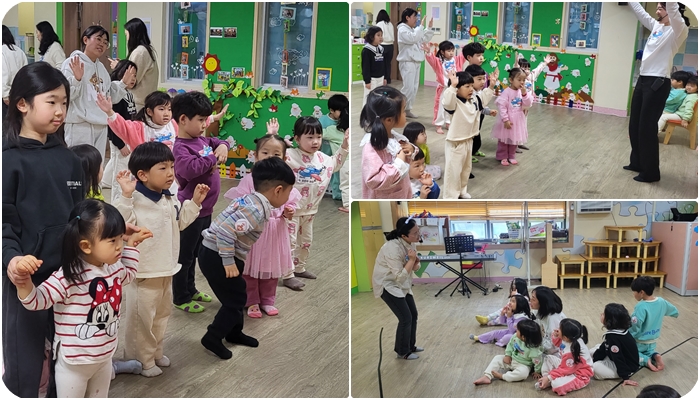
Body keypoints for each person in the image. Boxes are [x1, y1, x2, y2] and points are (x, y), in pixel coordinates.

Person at [2, 62, 85, 398]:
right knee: (27, 357)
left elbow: (80, 214)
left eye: (64, 102)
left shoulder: (69, 160)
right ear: (22, 103)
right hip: (27, 277)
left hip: (70, 274)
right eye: (51, 101)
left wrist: (112, 230)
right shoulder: (8, 161)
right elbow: (3, 222)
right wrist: (12, 260)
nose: (60, 111)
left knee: (68, 353)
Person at [11, 200, 151, 397]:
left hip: (104, 357)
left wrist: (132, 244)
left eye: (121, 238)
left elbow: (128, 274)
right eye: (113, 241)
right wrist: (24, 282)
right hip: (74, 363)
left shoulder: (113, 267)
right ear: (86, 246)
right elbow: (37, 301)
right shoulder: (68, 276)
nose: (119, 246)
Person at [113, 142, 209, 377]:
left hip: (166, 268)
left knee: (161, 315)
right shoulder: (134, 199)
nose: (170, 173)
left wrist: (195, 203)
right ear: (143, 175)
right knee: (141, 321)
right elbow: (120, 224)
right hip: (144, 271)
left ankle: (154, 353)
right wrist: (125, 195)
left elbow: (180, 223)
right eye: (163, 168)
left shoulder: (169, 198)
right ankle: (140, 360)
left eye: (172, 167)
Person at [198, 157, 296, 359]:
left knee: (239, 294)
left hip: (214, 251)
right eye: (288, 192)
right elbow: (225, 231)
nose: (288, 197)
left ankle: (234, 333)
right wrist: (228, 261)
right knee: (233, 301)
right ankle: (212, 337)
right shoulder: (255, 210)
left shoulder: (252, 199)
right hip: (218, 255)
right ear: (278, 190)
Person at [224, 131, 301, 317]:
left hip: (275, 232)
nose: (270, 157)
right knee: (250, 268)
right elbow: (240, 202)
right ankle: (251, 301)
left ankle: (268, 300)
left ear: (284, 158)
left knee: (271, 268)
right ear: (256, 155)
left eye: (276, 154)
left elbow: (290, 201)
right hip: (254, 233)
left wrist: (288, 210)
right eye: (265, 153)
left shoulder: (285, 179)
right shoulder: (249, 180)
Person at [170, 92, 230, 313]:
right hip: (190, 211)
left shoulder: (202, 139)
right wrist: (213, 158)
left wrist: (223, 145)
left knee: (195, 254)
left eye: (206, 119)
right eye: (201, 120)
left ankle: (191, 288)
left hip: (206, 210)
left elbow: (219, 142)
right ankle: (181, 297)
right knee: (184, 257)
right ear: (183, 119)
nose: (206, 124)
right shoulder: (180, 148)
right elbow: (189, 169)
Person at [626, 2, 690, 183]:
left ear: (670, 10)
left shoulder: (679, 29)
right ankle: (637, 163)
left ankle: (651, 172)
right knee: (635, 124)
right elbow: (640, 11)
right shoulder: (657, 26)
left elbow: (673, 10)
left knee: (647, 127)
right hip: (643, 79)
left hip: (658, 81)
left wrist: (669, 4)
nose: (657, 10)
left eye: (660, 8)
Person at [284, 117, 349, 289]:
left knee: (306, 241)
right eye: (310, 137)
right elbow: (271, 158)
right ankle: (287, 274)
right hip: (291, 211)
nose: (315, 141)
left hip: (310, 211)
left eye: (318, 137)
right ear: (297, 139)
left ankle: (299, 268)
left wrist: (344, 145)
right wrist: (272, 136)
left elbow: (336, 163)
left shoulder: (322, 159)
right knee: (289, 242)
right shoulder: (289, 155)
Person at [60, 25, 136, 162]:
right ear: (85, 40)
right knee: (79, 165)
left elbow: (109, 96)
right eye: (98, 39)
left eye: (105, 42)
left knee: (97, 166)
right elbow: (65, 95)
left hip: (100, 125)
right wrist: (77, 80)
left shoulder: (101, 68)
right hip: (80, 125)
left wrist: (123, 83)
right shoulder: (72, 63)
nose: (102, 44)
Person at [372, 217, 424, 360]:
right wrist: (412, 260)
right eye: (415, 233)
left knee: (413, 314)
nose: (418, 234)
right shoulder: (392, 248)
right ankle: (402, 352)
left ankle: (410, 346)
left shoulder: (411, 244)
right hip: (387, 285)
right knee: (405, 317)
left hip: (402, 284)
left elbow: (415, 268)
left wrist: (415, 262)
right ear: (404, 235)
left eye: (418, 231)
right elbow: (399, 276)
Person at [359, 86, 413, 199]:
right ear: (389, 120)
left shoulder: (396, 138)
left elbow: (408, 155)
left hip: (402, 194)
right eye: (403, 111)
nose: (405, 114)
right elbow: (373, 180)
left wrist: (411, 149)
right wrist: (399, 163)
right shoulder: (371, 147)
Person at [101, 59, 138, 200]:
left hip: (129, 137)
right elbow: (112, 122)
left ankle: (107, 183)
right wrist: (120, 144)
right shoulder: (116, 96)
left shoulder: (129, 93)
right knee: (121, 173)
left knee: (123, 167)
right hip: (120, 140)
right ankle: (117, 202)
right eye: (129, 75)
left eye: (135, 75)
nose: (133, 79)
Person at [441, 70, 479, 199]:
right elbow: (447, 102)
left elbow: (482, 100)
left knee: (465, 169)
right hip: (456, 142)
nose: (471, 89)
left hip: (468, 140)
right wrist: (452, 86)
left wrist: (491, 88)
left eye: (472, 86)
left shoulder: (471, 101)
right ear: (457, 90)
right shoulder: (454, 103)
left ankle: (462, 190)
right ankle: (450, 196)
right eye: (467, 86)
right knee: (454, 171)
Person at [629, 275, 679, 371]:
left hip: (639, 341)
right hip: (653, 341)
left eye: (634, 291)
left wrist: (628, 335)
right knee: (647, 351)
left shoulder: (641, 306)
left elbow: (635, 325)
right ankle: (654, 355)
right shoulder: (661, 301)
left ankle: (645, 360)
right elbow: (674, 311)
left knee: (628, 353)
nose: (633, 294)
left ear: (641, 292)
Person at [109, 18, 159, 111]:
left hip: (138, 104)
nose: (127, 39)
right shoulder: (145, 50)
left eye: (127, 35)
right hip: (142, 103)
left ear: (133, 34)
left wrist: (118, 67)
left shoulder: (140, 52)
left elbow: (131, 80)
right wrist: (122, 64)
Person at [473, 319, 543, 385]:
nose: (516, 330)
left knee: (523, 374)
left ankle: (502, 376)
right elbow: (510, 345)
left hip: (523, 365)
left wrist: (537, 371)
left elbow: (538, 361)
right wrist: (508, 355)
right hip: (511, 359)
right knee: (497, 358)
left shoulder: (534, 350)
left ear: (523, 337)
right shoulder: (515, 337)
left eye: (518, 330)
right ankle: (487, 376)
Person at [536, 318, 594, 395]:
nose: (557, 329)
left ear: (565, 337)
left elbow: (565, 370)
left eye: (560, 328)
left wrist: (550, 377)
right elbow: (560, 345)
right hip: (568, 366)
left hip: (579, 375)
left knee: (556, 385)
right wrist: (556, 337)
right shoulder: (571, 338)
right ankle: (546, 379)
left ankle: (548, 380)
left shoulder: (571, 351)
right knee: (547, 358)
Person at [396, 8, 434, 118]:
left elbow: (423, 39)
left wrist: (429, 28)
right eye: (414, 17)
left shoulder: (413, 30)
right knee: (408, 88)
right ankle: (398, 109)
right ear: (407, 17)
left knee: (414, 88)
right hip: (407, 62)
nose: (416, 19)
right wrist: (421, 26)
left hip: (416, 62)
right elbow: (413, 38)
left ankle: (407, 109)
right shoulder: (402, 30)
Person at [491, 68, 533, 166]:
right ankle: (502, 156)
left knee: (514, 138)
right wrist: (505, 119)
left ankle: (512, 156)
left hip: (518, 119)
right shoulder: (506, 92)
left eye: (524, 80)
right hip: (507, 119)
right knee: (504, 139)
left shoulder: (522, 92)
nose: (522, 82)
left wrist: (524, 93)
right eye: (519, 80)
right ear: (511, 80)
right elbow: (502, 107)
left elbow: (527, 104)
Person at [591, 303, 640, 386]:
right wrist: (594, 358)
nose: (601, 314)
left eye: (604, 314)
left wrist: (625, 377)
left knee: (595, 369)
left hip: (627, 367)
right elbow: (605, 345)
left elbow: (618, 358)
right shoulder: (618, 331)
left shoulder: (614, 337)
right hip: (617, 357)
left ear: (610, 320)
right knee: (595, 349)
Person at [424, 40, 467, 134]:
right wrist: (428, 52)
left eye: (452, 50)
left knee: (451, 105)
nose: (451, 53)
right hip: (443, 88)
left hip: (454, 87)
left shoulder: (456, 59)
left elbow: (463, 56)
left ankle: (448, 122)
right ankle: (438, 124)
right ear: (442, 52)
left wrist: (466, 48)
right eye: (448, 51)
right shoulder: (438, 61)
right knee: (440, 106)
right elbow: (431, 60)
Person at [464, 64, 497, 178]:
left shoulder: (477, 93)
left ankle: (466, 169)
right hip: (465, 129)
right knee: (465, 150)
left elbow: (480, 105)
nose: (483, 81)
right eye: (479, 79)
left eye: (484, 78)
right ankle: (464, 171)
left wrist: (488, 111)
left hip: (474, 127)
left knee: (474, 145)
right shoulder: (466, 94)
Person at [321, 95, 350, 212]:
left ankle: (347, 205)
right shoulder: (348, 129)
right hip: (349, 161)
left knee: (345, 185)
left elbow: (319, 133)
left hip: (343, 161)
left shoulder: (333, 130)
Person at [530, 286, 567, 355]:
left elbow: (553, 346)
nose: (530, 301)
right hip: (545, 345)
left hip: (558, 352)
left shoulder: (552, 318)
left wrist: (535, 344)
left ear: (542, 303)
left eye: (533, 299)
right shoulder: (538, 311)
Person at [2, 25, 28, 120]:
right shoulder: (19, 50)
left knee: (6, 122)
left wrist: (5, 95)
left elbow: (4, 74)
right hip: (20, 92)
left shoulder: (2, 51)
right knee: (17, 121)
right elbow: (25, 71)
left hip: (6, 95)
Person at [361, 26, 386, 106]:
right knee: (368, 97)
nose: (380, 37)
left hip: (380, 77)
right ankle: (366, 113)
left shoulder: (381, 49)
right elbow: (365, 67)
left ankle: (376, 112)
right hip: (372, 79)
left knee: (379, 97)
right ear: (372, 37)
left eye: (381, 35)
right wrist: (367, 81)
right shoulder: (367, 50)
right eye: (378, 35)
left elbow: (384, 64)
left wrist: (385, 77)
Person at [375, 9, 394, 84]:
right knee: (388, 64)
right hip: (390, 46)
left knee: (381, 63)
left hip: (382, 45)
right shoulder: (390, 24)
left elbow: (377, 36)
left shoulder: (379, 24)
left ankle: (382, 80)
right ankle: (388, 79)